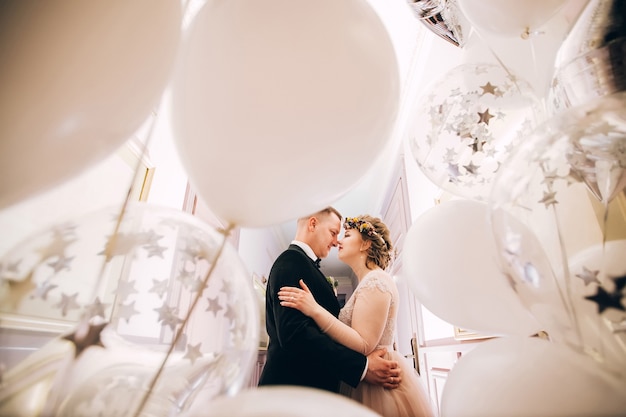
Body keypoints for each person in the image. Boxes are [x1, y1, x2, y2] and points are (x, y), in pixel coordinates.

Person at [278, 215, 435, 417]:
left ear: (366, 244)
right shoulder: (368, 282)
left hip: (377, 387)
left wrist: (315, 310)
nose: (339, 241)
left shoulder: (376, 280)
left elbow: (363, 344)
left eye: (347, 235)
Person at [258, 207, 402, 394]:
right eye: (333, 233)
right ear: (313, 224)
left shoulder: (306, 266)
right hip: (291, 390)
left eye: (342, 235)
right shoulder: (291, 262)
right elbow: (295, 335)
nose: (336, 242)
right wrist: (361, 367)